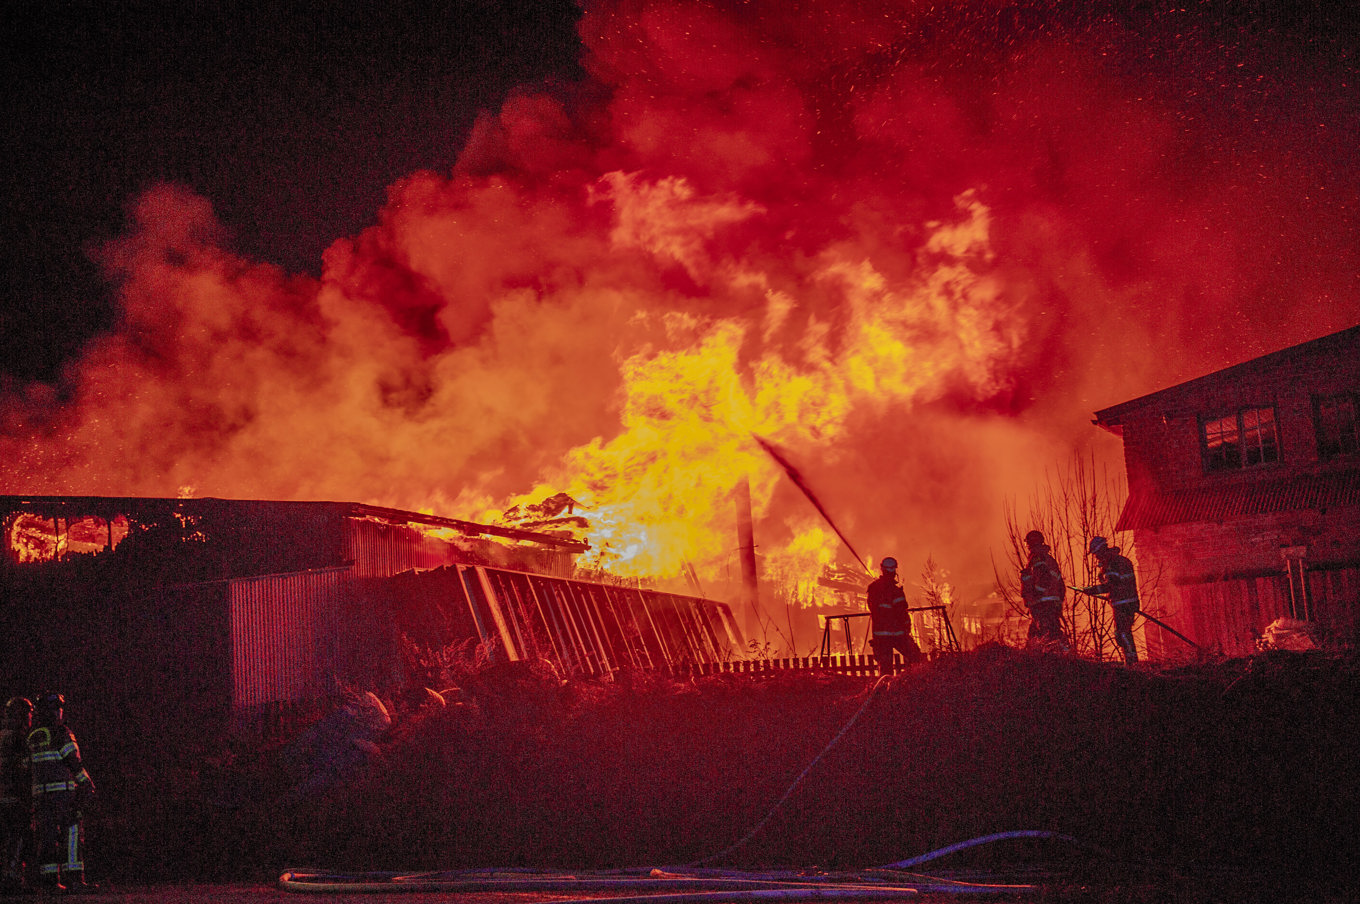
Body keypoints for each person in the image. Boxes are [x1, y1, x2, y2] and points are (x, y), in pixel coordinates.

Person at [27, 693, 96, 893]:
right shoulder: (60, 732)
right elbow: (73, 761)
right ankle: (75, 880)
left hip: (40, 796)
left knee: (47, 837)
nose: (59, 712)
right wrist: (87, 784)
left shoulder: (33, 735)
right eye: (57, 708)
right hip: (63, 795)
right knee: (72, 834)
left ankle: (50, 882)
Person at [1084, 536, 1141, 664]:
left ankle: (1132, 662)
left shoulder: (1112, 563)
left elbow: (1111, 585)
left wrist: (1092, 590)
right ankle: (1131, 660)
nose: (1095, 557)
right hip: (1128, 602)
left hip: (1123, 604)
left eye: (1095, 554)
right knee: (1122, 633)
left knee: (1122, 633)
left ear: (1100, 550)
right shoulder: (1119, 561)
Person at [866, 557, 922, 674]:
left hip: (881, 637)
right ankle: (911, 682)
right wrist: (906, 628)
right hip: (898, 634)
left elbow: (872, 608)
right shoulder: (895, 591)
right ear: (894, 571)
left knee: (885, 669)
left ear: (882, 569)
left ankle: (887, 689)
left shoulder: (874, 589)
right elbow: (902, 612)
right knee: (916, 657)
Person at [1, 697, 33, 894]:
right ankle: (11, 880)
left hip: (3, 796)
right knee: (17, 838)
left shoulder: (2, 735)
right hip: (14, 797)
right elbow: (23, 769)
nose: (31, 717)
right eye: (29, 713)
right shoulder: (20, 738)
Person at [1020, 530, 1068, 651]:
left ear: (1031, 543)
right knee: (1044, 634)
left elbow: (1043, 579)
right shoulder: (1049, 559)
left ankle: (1058, 659)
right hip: (1051, 603)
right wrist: (1058, 602)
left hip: (1042, 604)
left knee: (1045, 636)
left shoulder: (1037, 558)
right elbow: (1060, 586)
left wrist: (1035, 595)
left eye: (1028, 544)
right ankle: (1064, 655)